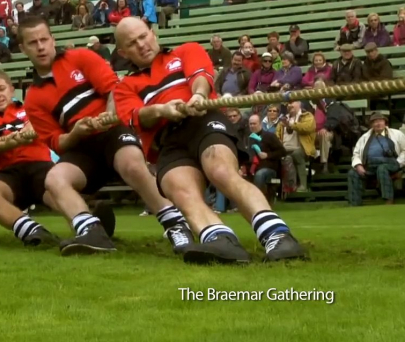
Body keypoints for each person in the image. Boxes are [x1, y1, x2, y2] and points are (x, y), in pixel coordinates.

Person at [112, 17, 305, 264]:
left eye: (143, 36)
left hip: (203, 119)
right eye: (132, 43)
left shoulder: (185, 51)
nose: (141, 45)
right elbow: (136, 116)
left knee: (221, 170)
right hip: (168, 139)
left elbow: (201, 77)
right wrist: (162, 110)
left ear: (153, 33)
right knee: (178, 188)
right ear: (122, 51)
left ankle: (277, 235)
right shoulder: (125, 86)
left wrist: (198, 96)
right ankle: (219, 239)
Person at [18, 16, 192, 256]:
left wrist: (109, 117)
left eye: (44, 39)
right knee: (54, 179)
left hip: (113, 132)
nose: (40, 47)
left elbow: (114, 90)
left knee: (131, 164)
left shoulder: (80, 57)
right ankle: (92, 232)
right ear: (22, 48)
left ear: (52, 39)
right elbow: (58, 143)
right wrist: (76, 132)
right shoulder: (33, 98)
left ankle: (175, 224)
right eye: (32, 42)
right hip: (82, 148)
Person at [0, 70, 60, 245]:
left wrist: (33, 126)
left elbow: (46, 123)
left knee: (59, 185)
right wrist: (14, 141)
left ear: (11, 90)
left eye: (1, 89)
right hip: (6, 174)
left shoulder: (29, 110)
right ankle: (33, 231)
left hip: (39, 166)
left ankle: (87, 224)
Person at [348, 112, 405, 206]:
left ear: (385, 122)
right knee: (353, 173)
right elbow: (356, 154)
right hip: (370, 166)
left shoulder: (397, 134)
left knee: (382, 168)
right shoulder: (364, 137)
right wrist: (358, 165)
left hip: (391, 163)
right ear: (371, 125)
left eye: (380, 121)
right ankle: (354, 203)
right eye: (375, 122)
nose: (378, 124)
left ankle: (388, 199)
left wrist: (399, 163)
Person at [275, 101, 316, 192]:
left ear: (299, 104)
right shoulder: (283, 119)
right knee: (287, 158)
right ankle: (290, 186)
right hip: (285, 149)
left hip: (303, 149)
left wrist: (291, 125)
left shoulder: (307, 116)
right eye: (288, 104)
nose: (289, 105)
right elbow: (277, 135)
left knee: (296, 154)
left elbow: (307, 128)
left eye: (292, 103)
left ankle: (303, 186)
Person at [246, 115, 285, 194]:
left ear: (260, 123)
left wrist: (268, 155)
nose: (252, 126)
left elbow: (282, 151)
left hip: (268, 168)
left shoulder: (269, 136)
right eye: (250, 124)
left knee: (260, 174)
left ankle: (258, 201)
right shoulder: (248, 139)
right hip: (251, 167)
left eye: (254, 124)